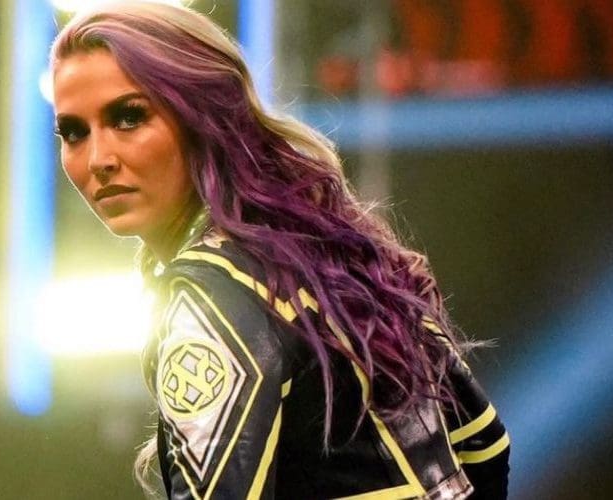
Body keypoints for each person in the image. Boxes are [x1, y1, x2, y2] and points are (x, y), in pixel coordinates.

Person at [49, 2, 510, 499]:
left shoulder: (214, 295)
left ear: (202, 116)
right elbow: (487, 451)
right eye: (74, 132)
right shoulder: (336, 252)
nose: (98, 159)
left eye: (129, 117)